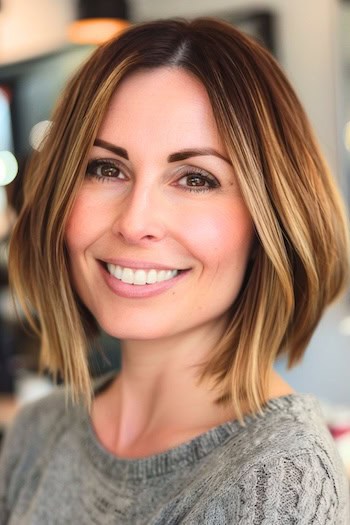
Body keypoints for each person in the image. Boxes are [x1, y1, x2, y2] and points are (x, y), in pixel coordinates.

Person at [0, 17, 349, 524]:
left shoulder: (276, 482)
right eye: (106, 168)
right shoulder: (39, 431)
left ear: (267, 219)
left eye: (195, 179)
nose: (136, 221)